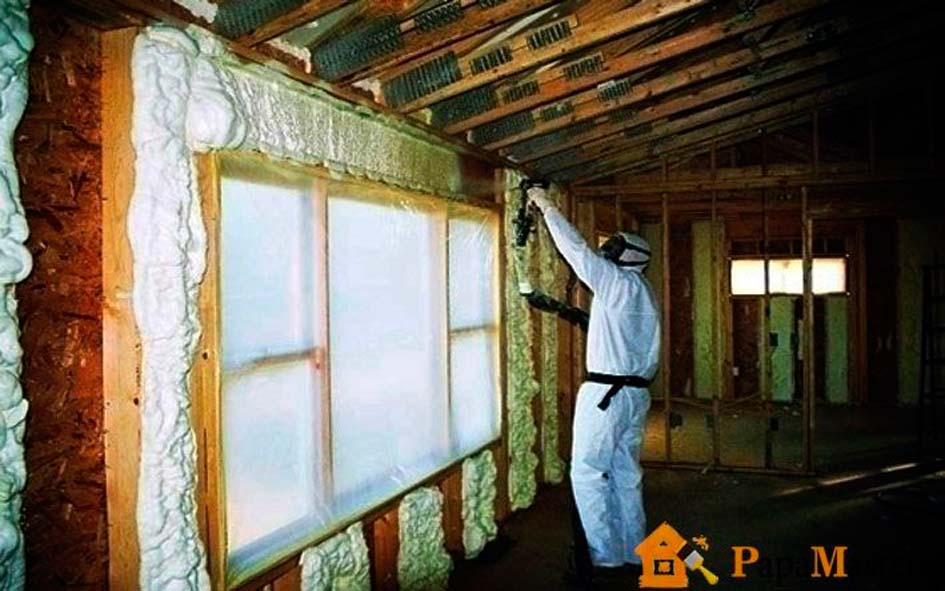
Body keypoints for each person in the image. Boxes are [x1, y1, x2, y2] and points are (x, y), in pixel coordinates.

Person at [525, 186, 661, 586]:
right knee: (625, 474)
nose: (606, 253)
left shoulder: (616, 283)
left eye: (613, 249)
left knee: (586, 473)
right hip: (635, 396)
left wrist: (545, 204)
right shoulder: (644, 292)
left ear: (626, 258)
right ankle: (634, 553)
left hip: (605, 396)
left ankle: (604, 560)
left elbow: (576, 250)